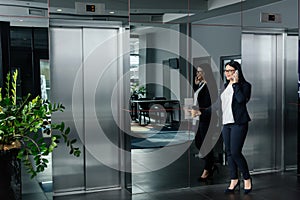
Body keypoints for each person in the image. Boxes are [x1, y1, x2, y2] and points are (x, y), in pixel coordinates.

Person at [221, 61, 252, 194]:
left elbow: (241, 100)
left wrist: (235, 84)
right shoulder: (224, 86)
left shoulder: (245, 86)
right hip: (226, 123)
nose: (227, 73)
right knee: (228, 152)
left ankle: (246, 177)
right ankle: (234, 179)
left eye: (230, 71)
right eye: (226, 70)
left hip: (239, 123)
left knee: (235, 152)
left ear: (236, 71)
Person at [191, 64, 218, 181]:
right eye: (197, 72)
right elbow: (197, 100)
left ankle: (207, 169)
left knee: (205, 143)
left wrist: (200, 111)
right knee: (198, 142)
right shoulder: (201, 85)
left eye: (200, 72)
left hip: (208, 117)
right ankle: (211, 163)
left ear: (206, 73)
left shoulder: (211, 86)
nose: (198, 74)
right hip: (199, 118)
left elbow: (211, 104)